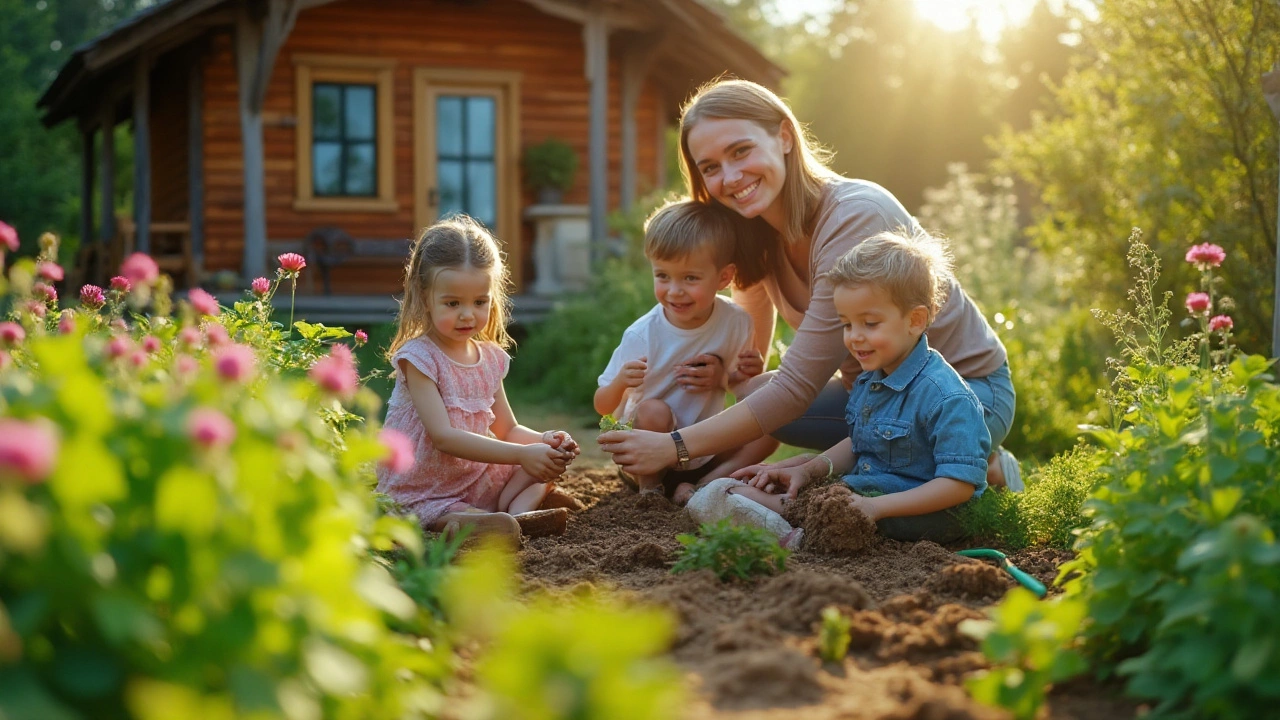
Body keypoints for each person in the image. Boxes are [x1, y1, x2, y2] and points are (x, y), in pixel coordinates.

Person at [599, 78, 1020, 493]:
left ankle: (977, 460)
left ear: (784, 136)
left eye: (741, 151)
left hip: (965, 391)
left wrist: (674, 448)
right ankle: (898, 461)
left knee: (835, 440)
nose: (729, 177)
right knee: (755, 389)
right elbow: (750, 370)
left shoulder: (855, 217)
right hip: (873, 399)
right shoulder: (758, 234)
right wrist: (719, 373)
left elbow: (796, 388)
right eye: (710, 167)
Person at [718, 229, 991, 543]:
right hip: (871, 491)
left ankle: (788, 522)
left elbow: (958, 486)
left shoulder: (946, 396)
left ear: (915, 320)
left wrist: (874, 507)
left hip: (924, 514)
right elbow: (860, 444)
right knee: (811, 473)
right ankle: (781, 506)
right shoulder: (871, 381)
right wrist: (808, 471)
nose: (854, 336)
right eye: (847, 324)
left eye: (869, 323)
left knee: (830, 500)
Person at [376, 215, 581, 541]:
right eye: (452, 303)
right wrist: (521, 454)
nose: (467, 314)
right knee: (432, 509)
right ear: (424, 296)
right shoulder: (419, 358)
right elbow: (443, 437)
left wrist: (545, 441)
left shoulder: (489, 358)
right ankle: (476, 520)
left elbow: (508, 429)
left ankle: (515, 519)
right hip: (426, 484)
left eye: (479, 302)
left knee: (540, 469)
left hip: (474, 475)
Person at [594, 200, 766, 504]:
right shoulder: (643, 334)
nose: (675, 290)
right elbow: (602, 405)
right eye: (663, 276)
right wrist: (620, 381)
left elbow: (739, 392)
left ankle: (703, 486)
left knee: (772, 417)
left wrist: (744, 376)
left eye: (690, 278)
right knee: (652, 410)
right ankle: (651, 492)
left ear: (724, 277)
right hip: (646, 455)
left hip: (704, 447)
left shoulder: (737, 322)